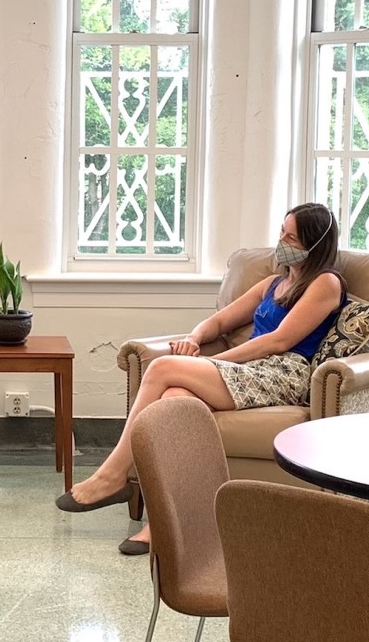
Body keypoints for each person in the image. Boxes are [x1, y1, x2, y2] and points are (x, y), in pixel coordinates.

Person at [56, 203, 345, 554]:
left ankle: (113, 476)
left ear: (314, 244)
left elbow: (279, 340)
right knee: (174, 396)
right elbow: (220, 322)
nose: (281, 242)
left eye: (291, 237)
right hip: (250, 369)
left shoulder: (326, 283)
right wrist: (195, 339)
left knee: (163, 369)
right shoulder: (273, 283)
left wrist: (216, 362)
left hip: (283, 371)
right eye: (281, 233)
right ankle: (164, 523)